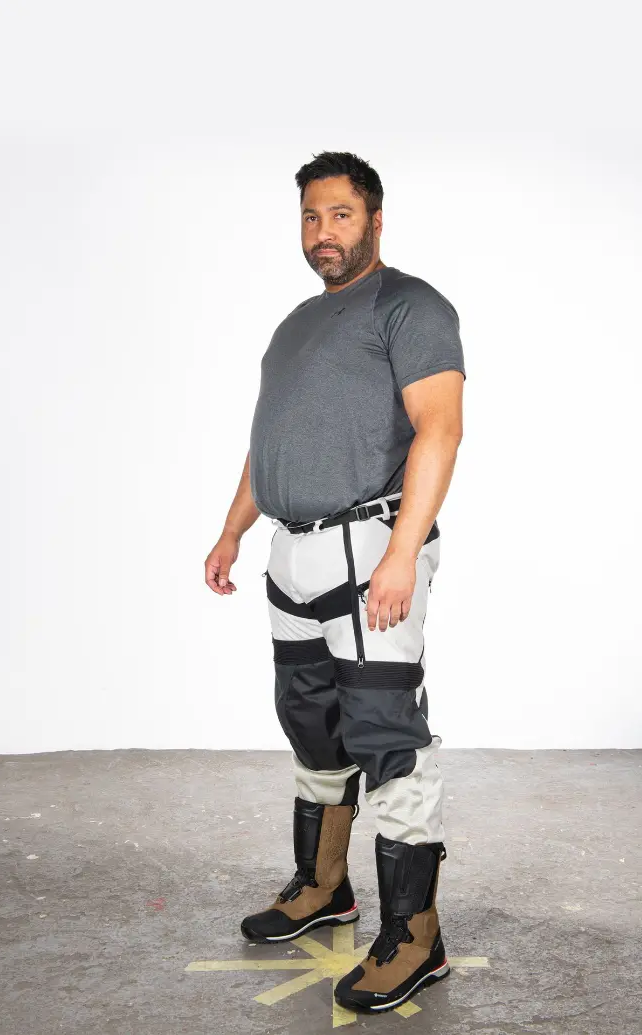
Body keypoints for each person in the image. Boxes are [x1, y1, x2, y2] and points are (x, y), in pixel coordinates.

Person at [204, 151, 465, 1013]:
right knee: (311, 724)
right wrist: (234, 529)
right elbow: (268, 443)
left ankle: (416, 937)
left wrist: (403, 551)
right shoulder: (294, 326)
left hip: (367, 547)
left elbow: (439, 429)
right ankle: (324, 888)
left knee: (386, 734)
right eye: (312, 217)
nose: (323, 232)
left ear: (375, 220)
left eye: (341, 215)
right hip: (292, 550)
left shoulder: (410, 306)